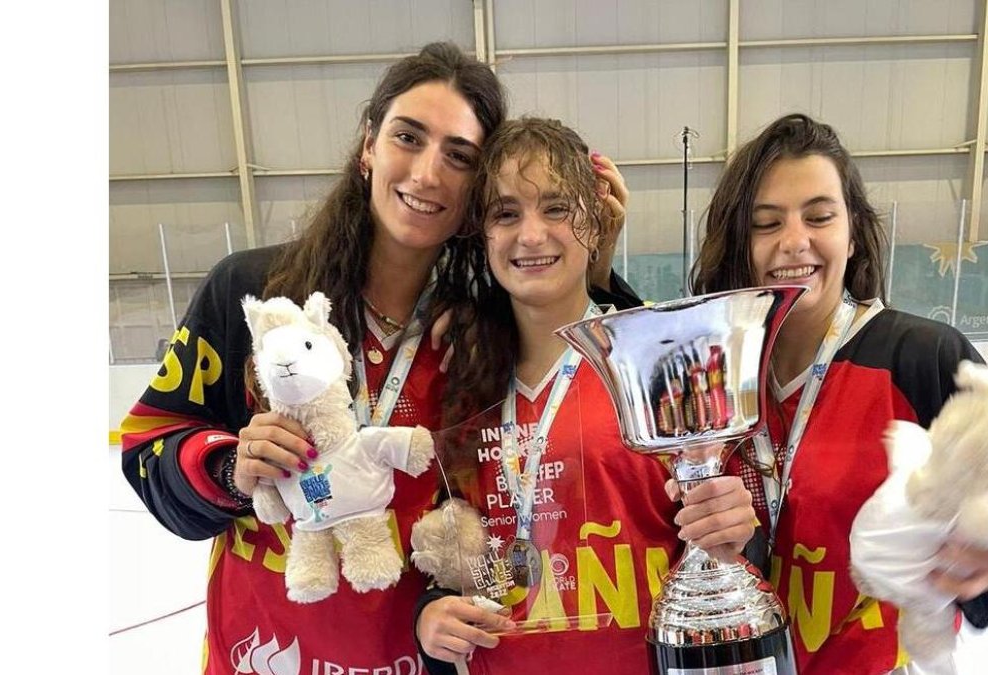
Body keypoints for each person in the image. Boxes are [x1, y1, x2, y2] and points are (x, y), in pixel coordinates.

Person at [119, 43, 638, 675]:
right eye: (408, 137)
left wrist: (600, 266)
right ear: (369, 146)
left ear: (478, 188)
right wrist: (233, 468)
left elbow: (509, 518)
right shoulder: (255, 296)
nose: (426, 173)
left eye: (459, 156)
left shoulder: (476, 334)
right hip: (262, 655)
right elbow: (147, 447)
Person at [690, 113, 988, 675]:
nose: (794, 241)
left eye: (819, 216)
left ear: (852, 232)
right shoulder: (716, 376)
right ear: (740, 243)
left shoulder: (924, 358)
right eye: (767, 223)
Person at [412, 117, 757, 674]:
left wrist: (735, 529)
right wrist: (431, 613)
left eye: (556, 208)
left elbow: (728, 540)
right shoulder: (464, 383)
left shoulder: (656, 366)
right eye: (506, 213)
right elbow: (468, 554)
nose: (530, 235)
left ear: (595, 223)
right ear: (483, 235)